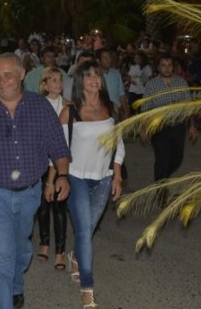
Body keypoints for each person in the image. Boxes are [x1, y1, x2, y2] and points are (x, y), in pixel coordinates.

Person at [0, 53, 71, 309]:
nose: (1, 80)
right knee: (2, 259)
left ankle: (16, 287)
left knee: (22, 251)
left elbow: (58, 146)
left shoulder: (40, 107)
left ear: (21, 75)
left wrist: (62, 174)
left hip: (30, 194)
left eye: (8, 74)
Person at [55, 60, 124, 309]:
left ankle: (75, 256)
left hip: (103, 177)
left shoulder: (111, 108)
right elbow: (59, 148)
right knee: (84, 232)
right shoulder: (69, 111)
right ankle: (88, 288)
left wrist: (117, 175)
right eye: (88, 75)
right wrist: (57, 177)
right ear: (79, 81)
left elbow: (119, 143)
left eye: (97, 75)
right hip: (76, 177)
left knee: (88, 229)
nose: (94, 79)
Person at [141, 53, 198, 202]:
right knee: (162, 160)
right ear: (158, 67)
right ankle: (161, 193)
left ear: (174, 67)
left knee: (177, 158)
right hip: (159, 128)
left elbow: (188, 106)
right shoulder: (151, 85)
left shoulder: (181, 83)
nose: (167, 68)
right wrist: (144, 128)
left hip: (178, 127)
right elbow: (146, 108)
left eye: (170, 65)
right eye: (163, 65)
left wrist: (192, 125)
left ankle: (162, 179)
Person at [36, 66, 69, 270]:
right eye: (54, 80)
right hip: (40, 161)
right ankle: (44, 243)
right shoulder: (38, 104)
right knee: (42, 206)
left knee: (59, 206)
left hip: (60, 162)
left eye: (60, 79)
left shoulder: (68, 106)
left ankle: (60, 250)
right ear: (45, 84)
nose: (58, 83)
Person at [96, 48, 130, 120]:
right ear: (98, 60)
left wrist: (126, 111)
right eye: (105, 58)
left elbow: (121, 94)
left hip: (117, 112)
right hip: (102, 113)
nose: (109, 60)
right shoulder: (95, 76)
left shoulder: (116, 73)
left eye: (109, 57)